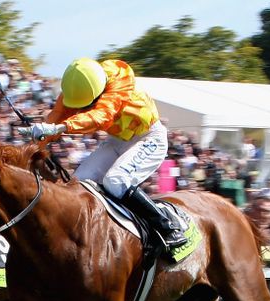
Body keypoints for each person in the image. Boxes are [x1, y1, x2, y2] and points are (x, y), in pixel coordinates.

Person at [18, 58, 187, 250]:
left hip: (149, 138)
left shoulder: (118, 84)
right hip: (117, 141)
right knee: (76, 185)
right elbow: (57, 116)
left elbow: (100, 116)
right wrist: (37, 139)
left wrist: (61, 127)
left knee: (115, 181)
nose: (82, 109)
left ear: (98, 93)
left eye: (87, 105)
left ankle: (168, 228)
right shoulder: (79, 87)